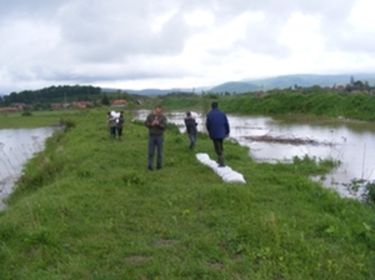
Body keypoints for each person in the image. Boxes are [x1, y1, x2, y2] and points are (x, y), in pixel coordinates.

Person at [206, 101, 230, 167]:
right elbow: (226, 123)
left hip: (214, 133)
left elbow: (207, 125)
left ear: (211, 107)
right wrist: (227, 132)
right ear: (217, 106)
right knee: (220, 145)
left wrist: (209, 132)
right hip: (222, 132)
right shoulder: (222, 113)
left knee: (217, 147)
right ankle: (219, 160)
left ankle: (222, 162)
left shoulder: (209, 114)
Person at [145, 106, 167, 170]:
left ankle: (159, 166)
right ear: (154, 110)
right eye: (157, 111)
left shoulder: (163, 117)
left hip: (160, 136)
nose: (158, 113)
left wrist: (159, 124)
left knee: (160, 153)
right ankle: (150, 166)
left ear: (161, 111)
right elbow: (146, 123)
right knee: (150, 152)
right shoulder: (150, 116)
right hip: (151, 136)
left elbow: (165, 126)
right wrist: (151, 124)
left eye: (159, 112)